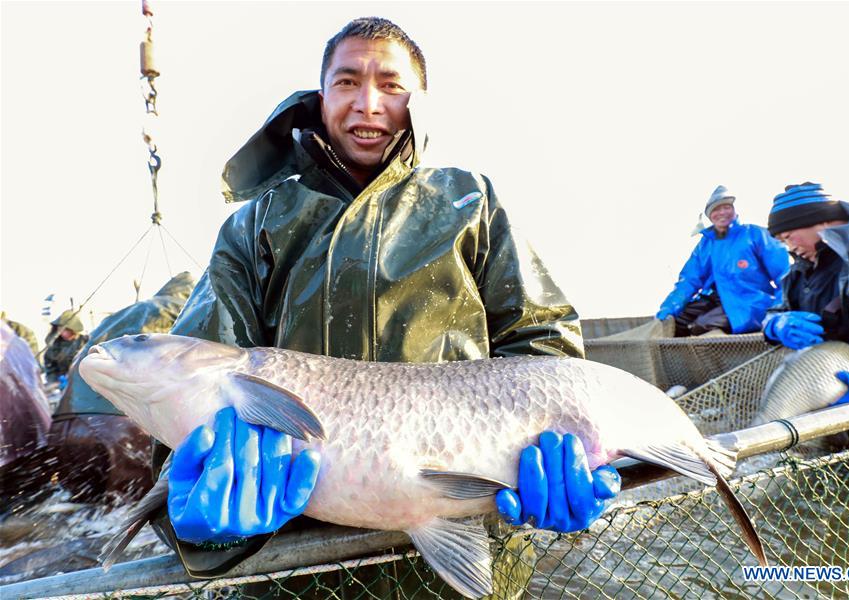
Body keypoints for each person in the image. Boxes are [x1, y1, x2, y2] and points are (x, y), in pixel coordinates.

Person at [153, 17, 621, 579]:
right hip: (292, 572)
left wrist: (563, 444)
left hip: (473, 545)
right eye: (347, 82)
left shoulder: (471, 201)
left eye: (392, 85)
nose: (367, 103)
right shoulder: (254, 226)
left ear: (419, 103)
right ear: (320, 97)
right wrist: (192, 506)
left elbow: (544, 347)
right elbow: (192, 379)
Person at [763, 182, 849, 413]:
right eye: (782, 242)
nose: (789, 247)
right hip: (832, 386)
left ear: (821, 220)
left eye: (788, 236)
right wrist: (775, 325)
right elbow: (776, 311)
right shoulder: (798, 272)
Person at [656, 185, 790, 336]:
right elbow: (689, 280)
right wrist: (669, 307)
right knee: (676, 322)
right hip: (714, 299)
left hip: (748, 302)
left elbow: (784, 275)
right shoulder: (706, 244)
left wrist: (779, 309)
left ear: (734, 210)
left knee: (701, 326)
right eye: (715, 209)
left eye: (726, 207)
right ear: (709, 216)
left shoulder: (755, 235)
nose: (722, 213)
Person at [42, 309, 89, 384]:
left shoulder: (85, 342)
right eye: (59, 329)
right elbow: (50, 369)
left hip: (84, 381)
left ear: (72, 329)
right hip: (63, 383)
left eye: (65, 330)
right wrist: (56, 382)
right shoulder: (54, 346)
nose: (61, 333)